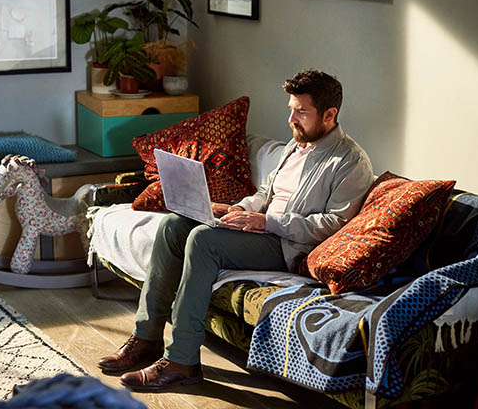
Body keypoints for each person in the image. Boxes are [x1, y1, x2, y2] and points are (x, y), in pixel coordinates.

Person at [98, 69, 374, 392]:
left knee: (203, 241)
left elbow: (333, 226)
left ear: (330, 115)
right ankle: (146, 338)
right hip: (262, 230)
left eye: (301, 112)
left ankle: (182, 361)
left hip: (288, 246)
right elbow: (266, 193)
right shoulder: (296, 146)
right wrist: (240, 209)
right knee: (174, 226)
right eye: (291, 109)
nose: (291, 120)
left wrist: (266, 222)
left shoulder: (350, 161)